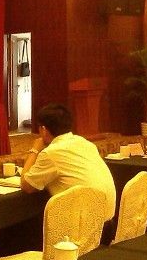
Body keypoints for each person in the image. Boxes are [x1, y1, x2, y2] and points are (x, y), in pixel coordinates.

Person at [20, 103, 116, 241]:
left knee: (29, 231)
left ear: (44, 130)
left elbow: (26, 185)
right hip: (108, 225)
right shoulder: (85, 143)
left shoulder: (51, 152)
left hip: (83, 231)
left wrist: (34, 149)